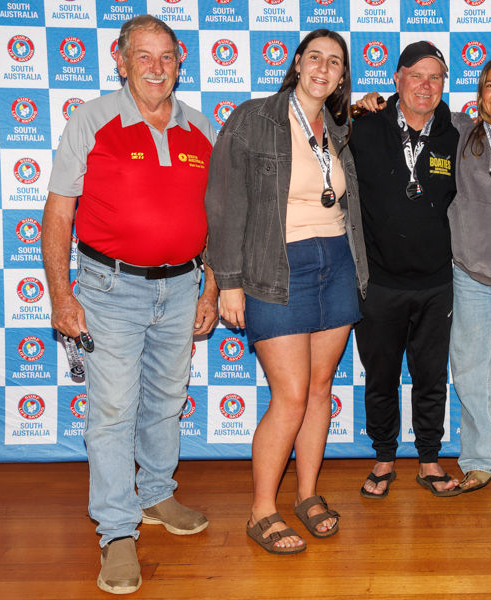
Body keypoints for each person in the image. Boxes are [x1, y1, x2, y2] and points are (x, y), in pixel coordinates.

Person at [43, 15, 218, 595]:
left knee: (166, 400)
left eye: (167, 56)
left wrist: (211, 286)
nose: (156, 67)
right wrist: (61, 294)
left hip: (183, 287)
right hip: (109, 290)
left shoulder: (202, 128)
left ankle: (157, 495)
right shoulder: (91, 120)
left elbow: (218, 218)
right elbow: (59, 212)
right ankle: (117, 531)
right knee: (114, 410)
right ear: (120, 61)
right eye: (143, 56)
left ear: (180, 61)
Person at [205, 29, 367, 555]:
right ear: (297, 63)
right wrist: (229, 282)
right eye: (314, 57)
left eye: (334, 62)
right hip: (277, 266)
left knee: (319, 390)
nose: (323, 68)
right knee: (291, 396)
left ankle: (307, 494)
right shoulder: (253, 118)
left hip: (336, 263)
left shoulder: (338, 127)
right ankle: (261, 510)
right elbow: (223, 205)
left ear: (342, 76)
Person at [356, 56, 491, 498]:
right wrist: (368, 103)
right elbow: (412, 112)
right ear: (478, 96)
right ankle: (478, 460)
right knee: (471, 375)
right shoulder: (460, 130)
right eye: (490, 85)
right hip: (468, 277)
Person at [349, 42, 461, 498]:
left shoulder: (456, 134)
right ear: (397, 79)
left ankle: (429, 458)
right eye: (416, 75)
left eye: (435, 77)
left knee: (431, 377)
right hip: (378, 283)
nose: (425, 85)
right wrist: (355, 105)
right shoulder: (362, 126)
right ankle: (383, 457)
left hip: (436, 282)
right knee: (381, 377)